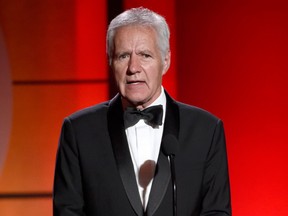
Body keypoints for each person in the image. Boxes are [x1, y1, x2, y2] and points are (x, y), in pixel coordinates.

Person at [53, 7, 231, 216]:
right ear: (110, 61)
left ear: (165, 61)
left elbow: (216, 212)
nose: (133, 68)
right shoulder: (79, 131)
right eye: (123, 56)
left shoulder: (206, 130)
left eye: (145, 55)